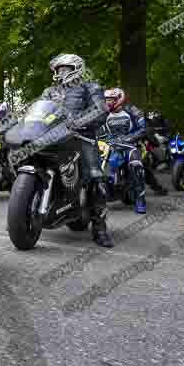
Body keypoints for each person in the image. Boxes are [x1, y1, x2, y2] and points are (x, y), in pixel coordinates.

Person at [39, 54, 114, 247]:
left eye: (65, 69)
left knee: (96, 176)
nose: (60, 73)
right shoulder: (50, 91)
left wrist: (78, 122)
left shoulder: (91, 87)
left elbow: (100, 110)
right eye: (58, 70)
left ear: (77, 68)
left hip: (82, 137)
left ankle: (99, 228)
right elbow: (39, 110)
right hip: (52, 137)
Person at [102, 88, 167, 215]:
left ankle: (140, 199)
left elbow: (144, 128)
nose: (108, 103)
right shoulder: (103, 113)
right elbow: (95, 127)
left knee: (136, 164)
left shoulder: (131, 110)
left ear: (119, 99)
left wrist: (130, 138)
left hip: (130, 145)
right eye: (106, 100)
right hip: (109, 145)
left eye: (111, 100)